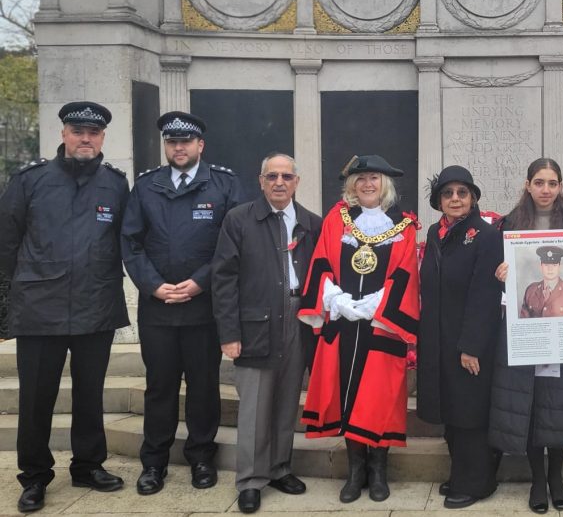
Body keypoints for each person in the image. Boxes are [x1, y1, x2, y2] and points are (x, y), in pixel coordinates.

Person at [0, 102, 129, 513]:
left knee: (90, 395)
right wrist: (7, 305)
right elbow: (5, 244)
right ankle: (35, 477)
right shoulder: (30, 181)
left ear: (103, 137)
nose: (85, 138)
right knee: (36, 399)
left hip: (95, 307)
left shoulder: (115, 185)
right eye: (77, 131)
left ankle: (88, 465)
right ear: (63, 135)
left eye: (93, 132)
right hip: (40, 309)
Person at [121, 111, 243, 495]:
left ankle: (201, 458)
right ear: (166, 146)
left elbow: (234, 243)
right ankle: (153, 463)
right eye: (172, 142)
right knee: (159, 387)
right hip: (158, 308)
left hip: (204, 308)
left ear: (199, 145)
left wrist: (200, 282)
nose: (178, 147)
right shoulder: (145, 187)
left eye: (186, 141)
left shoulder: (224, 184)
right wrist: (154, 286)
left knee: (204, 386)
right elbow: (131, 242)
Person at [297, 155, 419, 504]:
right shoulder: (337, 219)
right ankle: (356, 471)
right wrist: (336, 300)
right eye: (362, 178)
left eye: (375, 178)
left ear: (386, 184)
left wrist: (373, 305)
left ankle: (379, 470)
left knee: (379, 396)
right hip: (343, 324)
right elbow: (321, 261)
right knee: (347, 393)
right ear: (352, 185)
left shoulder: (404, 225)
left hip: (382, 325)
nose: (368, 184)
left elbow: (406, 273)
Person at [489, 158, 563, 514]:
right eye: (539, 182)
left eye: (552, 183)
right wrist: (500, 274)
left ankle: (557, 477)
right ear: (527, 185)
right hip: (526, 341)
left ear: (560, 185)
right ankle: (538, 479)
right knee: (533, 407)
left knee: (561, 406)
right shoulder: (508, 224)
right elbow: (501, 290)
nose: (546, 190)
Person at [212, 154, 323, 514]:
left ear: (296, 182)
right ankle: (250, 479)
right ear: (260, 181)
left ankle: (279, 468)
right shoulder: (239, 219)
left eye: (286, 176)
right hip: (256, 322)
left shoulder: (311, 223)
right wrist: (229, 332)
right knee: (256, 406)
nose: (279, 182)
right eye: (271, 176)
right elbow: (223, 278)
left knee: (287, 400)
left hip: (299, 319)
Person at [417, 165, 503, 509]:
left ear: (474, 199)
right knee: (452, 413)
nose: (455, 199)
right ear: (439, 201)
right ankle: (461, 475)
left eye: (462, 193)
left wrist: (471, 347)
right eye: (448, 193)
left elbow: (484, 296)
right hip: (440, 339)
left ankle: (479, 483)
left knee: (470, 415)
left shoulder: (485, 235)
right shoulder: (436, 236)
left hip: (469, 342)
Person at [519, 246, 563, 318]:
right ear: (541, 267)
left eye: (554, 265)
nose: (550, 269)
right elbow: (523, 323)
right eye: (546, 265)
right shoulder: (530, 290)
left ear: (559, 267)